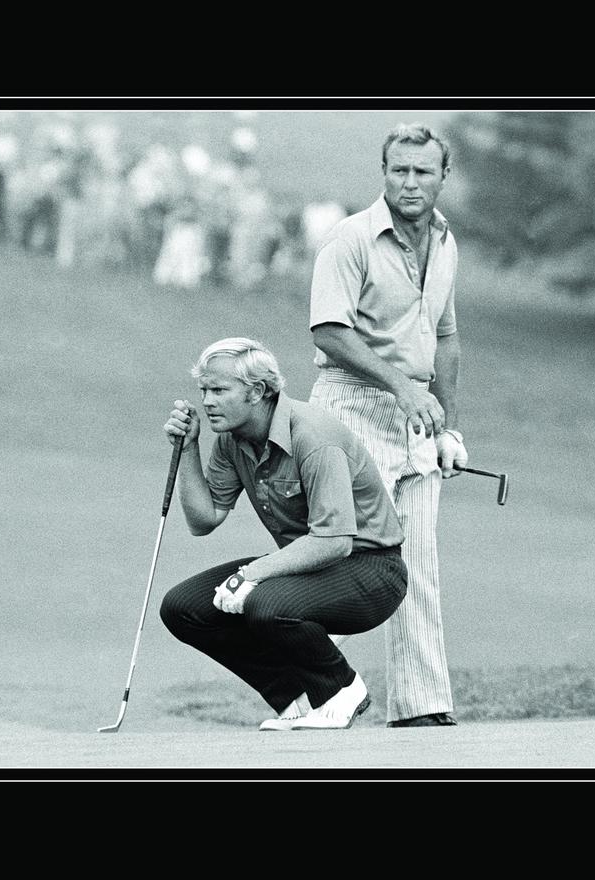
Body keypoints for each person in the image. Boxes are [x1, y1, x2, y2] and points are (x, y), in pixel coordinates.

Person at [159, 338, 408, 730]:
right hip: (310, 569)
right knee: (183, 607)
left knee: (263, 601)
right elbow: (204, 519)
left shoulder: (313, 436)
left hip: (372, 571)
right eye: (204, 390)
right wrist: (189, 448)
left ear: (257, 391)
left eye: (219, 390)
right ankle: (295, 697)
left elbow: (335, 540)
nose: (207, 401)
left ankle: (340, 690)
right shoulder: (230, 441)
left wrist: (253, 573)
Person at [308, 123, 468, 728]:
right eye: (398, 170)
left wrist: (448, 428)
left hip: (417, 417)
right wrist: (403, 388)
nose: (409, 182)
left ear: (442, 177)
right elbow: (328, 330)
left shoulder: (447, 243)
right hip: (350, 405)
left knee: (417, 561)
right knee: (350, 557)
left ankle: (421, 707)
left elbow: (445, 337)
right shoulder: (348, 239)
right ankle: (313, 695)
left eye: (422, 171)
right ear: (384, 173)